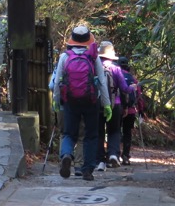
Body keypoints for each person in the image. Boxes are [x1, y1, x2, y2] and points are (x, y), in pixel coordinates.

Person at [52, 25, 111, 181]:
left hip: (70, 101)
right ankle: (87, 170)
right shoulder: (93, 56)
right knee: (90, 135)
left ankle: (66, 155)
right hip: (91, 101)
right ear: (88, 40)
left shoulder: (65, 57)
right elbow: (102, 82)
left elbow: (58, 81)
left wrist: (56, 101)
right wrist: (106, 104)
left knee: (68, 133)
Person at [96, 41, 132, 170]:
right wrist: (132, 88)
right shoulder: (116, 69)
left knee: (99, 132)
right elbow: (124, 88)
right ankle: (112, 155)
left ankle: (99, 160)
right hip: (114, 104)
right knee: (114, 131)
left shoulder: (95, 67)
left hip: (97, 104)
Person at [119, 56, 143, 165]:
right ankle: (125, 156)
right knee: (127, 133)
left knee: (114, 131)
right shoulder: (133, 79)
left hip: (118, 108)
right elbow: (139, 96)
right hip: (131, 110)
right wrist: (141, 110)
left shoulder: (115, 74)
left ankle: (113, 154)